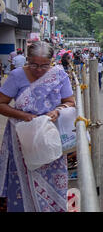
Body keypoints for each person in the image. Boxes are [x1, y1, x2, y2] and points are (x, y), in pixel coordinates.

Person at [0, 41, 75, 212]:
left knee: (51, 176)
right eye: (34, 64)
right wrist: (24, 116)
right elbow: (1, 103)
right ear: (27, 59)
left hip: (49, 137)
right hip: (22, 139)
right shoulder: (17, 76)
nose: (39, 69)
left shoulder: (59, 76)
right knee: (21, 178)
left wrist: (58, 111)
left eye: (44, 65)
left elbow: (70, 102)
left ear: (52, 61)